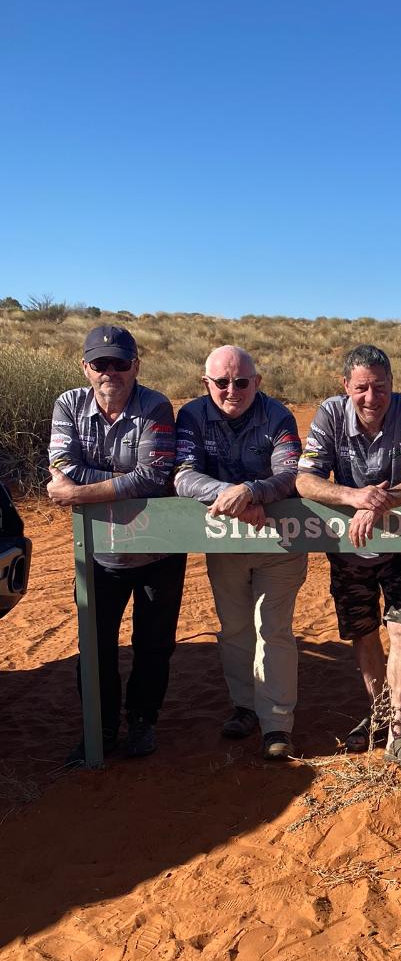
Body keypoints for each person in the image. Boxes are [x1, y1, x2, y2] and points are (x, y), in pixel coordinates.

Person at [296, 344, 401, 771]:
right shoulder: (329, 414)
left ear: (392, 384)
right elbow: (305, 479)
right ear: (346, 387)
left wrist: (381, 501)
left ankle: (398, 728)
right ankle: (377, 712)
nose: (371, 398)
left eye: (380, 387)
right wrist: (353, 495)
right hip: (349, 547)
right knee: (363, 634)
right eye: (361, 388)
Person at [48, 325, 186, 761]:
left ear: (136, 366)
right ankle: (101, 728)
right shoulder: (68, 404)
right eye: (100, 363)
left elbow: (155, 477)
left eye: (120, 363)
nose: (111, 372)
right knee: (94, 645)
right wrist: (125, 484)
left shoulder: (156, 406)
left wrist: (78, 493)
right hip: (98, 553)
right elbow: (61, 464)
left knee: (153, 644)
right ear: (85, 367)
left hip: (158, 548)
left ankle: (142, 723)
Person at [174, 346, 307, 760]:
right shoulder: (192, 416)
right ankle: (245, 707)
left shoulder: (278, 416)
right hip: (224, 543)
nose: (232, 390)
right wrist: (232, 497)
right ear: (205, 382)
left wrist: (251, 490)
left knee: (274, 629)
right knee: (233, 628)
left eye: (242, 382)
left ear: (257, 382)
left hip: (279, 543)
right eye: (222, 382)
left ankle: (276, 724)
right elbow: (182, 475)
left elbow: (290, 474)